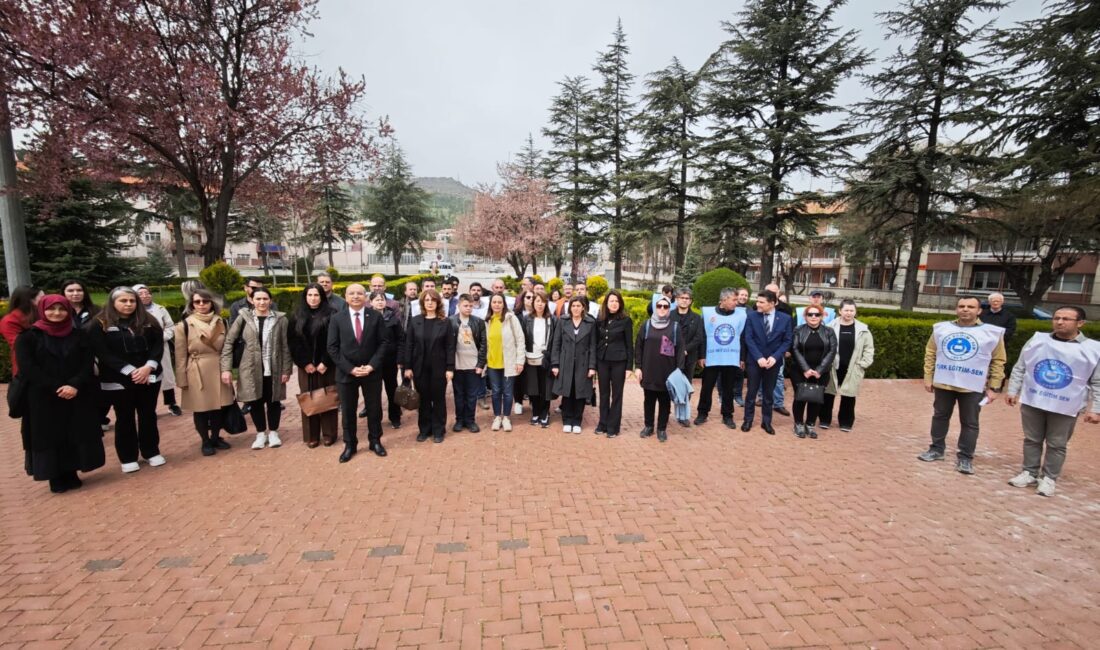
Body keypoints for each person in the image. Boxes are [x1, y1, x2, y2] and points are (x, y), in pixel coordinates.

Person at [1005, 306, 1100, 496]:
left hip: (1066, 404)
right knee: (1032, 439)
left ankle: (1049, 478)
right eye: (1056, 318)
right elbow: (1020, 367)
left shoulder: (1093, 349)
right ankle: (1029, 472)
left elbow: (1097, 381)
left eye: (1066, 319)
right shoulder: (1037, 340)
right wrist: (1013, 390)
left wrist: (1096, 409)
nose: (1059, 322)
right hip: (1034, 399)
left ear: (1080, 323)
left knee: (1057, 443)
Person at [14, 295, 105, 492]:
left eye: (62, 309)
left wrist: (74, 385)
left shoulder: (79, 335)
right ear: (42, 310)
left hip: (76, 394)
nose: (57, 313)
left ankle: (72, 471)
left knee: (75, 431)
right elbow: (28, 368)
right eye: (51, 309)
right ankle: (55, 476)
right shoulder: (28, 337)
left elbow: (87, 363)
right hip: (44, 396)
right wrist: (56, 386)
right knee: (49, 435)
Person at [919, 296, 1007, 474]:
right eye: (961, 306)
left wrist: (994, 386)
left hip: (972, 386)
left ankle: (965, 457)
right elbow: (930, 352)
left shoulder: (991, 333)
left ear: (979, 311)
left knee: (970, 423)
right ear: (956, 309)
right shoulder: (942, 329)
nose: (965, 309)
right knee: (940, 416)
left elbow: (998, 360)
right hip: (944, 383)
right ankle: (936, 449)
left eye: (970, 307)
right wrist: (928, 377)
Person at [88, 287, 166, 473]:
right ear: (113, 302)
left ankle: (151, 451)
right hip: (118, 380)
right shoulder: (100, 323)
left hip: (149, 376)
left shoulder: (148, 321)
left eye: (132, 301)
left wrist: (148, 367)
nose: (129, 304)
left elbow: (157, 345)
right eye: (123, 301)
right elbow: (102, 352)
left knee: (148, 415)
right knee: (125, 417)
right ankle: (128, 456)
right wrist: (130, 371)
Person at [221, 288, 293, 451]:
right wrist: (226, 368)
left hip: (273, 367)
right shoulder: (243, 318)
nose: (262, 302)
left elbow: (285, 346)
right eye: (258, 299)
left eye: (265, 299)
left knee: (274, 400)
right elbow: (229, 342)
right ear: (252, 300)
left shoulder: (280, 319)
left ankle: (273, 432)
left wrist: (286, 370)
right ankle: (260, 433)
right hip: (250, 367)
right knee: (255, 401)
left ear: (270, 300)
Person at [327, 283, 391, 462]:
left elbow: (384, 343)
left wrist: (371, 366)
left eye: (359, 293)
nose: (355, 296)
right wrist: (350, 369)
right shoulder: (337, 318)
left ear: (366, 297)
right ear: (345, 297)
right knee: (348, 411)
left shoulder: (375, 316)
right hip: (346, 373)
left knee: (374, 408)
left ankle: (375, 441)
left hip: (371, 372)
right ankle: (350, 445)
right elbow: (332, 347)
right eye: (351, 293)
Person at [175, 288, 234, 456]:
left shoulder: (222, 322)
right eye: (197, 302)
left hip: (218, 367)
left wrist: (227, 369)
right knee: (200, 408)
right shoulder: (184, 325)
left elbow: (227, 348)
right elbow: (180, 355)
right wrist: (182, 379)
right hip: (197, 369)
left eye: (205, 301)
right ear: (192, 304)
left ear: (211, 303)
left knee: (219, 406)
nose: (202, 304)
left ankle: (215, 437)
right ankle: (205, 440)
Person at [402, 289, 456, 443]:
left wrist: (450, 368)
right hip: (419, 368)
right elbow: (409, 345)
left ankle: (439, 430)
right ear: (422, 303)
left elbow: (450, 347)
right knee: (423, 400)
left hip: (439, 368)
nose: (430, 303)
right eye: (427, 300)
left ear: (438, 302)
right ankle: (424, 429)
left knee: (438, 400)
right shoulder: (415, 321)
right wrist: (408, 367)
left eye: (433, 300)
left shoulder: (445, 322)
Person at [288, 284, 339, 448]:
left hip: (326, 366)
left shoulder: (332, 314)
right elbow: (293, 343)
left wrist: (326, 361)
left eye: (316, 295)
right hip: (306, 367)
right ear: (305, 297)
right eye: (309, 295)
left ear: (322, 296)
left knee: (328, 397)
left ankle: (329, 434)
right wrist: (305, 363)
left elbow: (335, 340)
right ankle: (312, 436)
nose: (313, 298)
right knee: (309, 398)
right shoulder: (297, 316)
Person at [819, 300, 875, 432]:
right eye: (846, 310)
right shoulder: (830, 327)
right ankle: (824, 419)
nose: (849, 313)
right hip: (833, 366)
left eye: (851, 310)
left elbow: (869, 348)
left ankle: (846, 422)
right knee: (828, 393)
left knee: (849, 396)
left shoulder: (863, 329)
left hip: (853, 367)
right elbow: (823, 346)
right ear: (840, 311)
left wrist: (864, 363)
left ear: (855, 312)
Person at [634, 296, 685, 442]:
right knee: (649, 400)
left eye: (665, 306)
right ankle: (648, 426)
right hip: (649, 370)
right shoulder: (646, 325)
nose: (662, 308)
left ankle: (661, 429)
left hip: (667, 372)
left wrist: (679, 370)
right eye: (659, 306)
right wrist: (638, 367)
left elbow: (680, 349)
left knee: (664, 402)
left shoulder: (674, 327)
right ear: (655, 308)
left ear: (669, 309)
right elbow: (638, 347)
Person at [742, 290, 793, 435]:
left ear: (772, 303)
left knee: (768, 393)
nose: (757, 304)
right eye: (757, 301)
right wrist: (758, 357)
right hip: (755, 361)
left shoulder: (785, 319)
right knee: (751, 392)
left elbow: (787, 341)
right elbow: (748, 338)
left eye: (761, 302)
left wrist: (775, 357)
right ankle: (748, 420)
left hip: (773, 362)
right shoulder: (752, 316)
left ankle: (767, 422)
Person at [694, 288, 746, 429]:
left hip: (731, 357)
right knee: (707, 387)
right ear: (723, 300)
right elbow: (703, 336)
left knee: (728, 387)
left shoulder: (741, 315)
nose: (736, 302)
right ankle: (702, 413)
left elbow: (742, 337)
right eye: (733, 300)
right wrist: (702, 355)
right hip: (712, 357)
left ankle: (727, 415)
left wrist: (742, 358)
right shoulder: (708, 313)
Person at [790, 306, 838, 439]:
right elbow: (794, 349)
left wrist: (819, 370)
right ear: (805, 316)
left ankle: (810, 424)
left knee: (816, 399)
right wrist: (805, 369)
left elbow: (832, 351)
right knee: (800, 397)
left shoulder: (829, 331)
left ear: (822, 316)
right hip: (800, 371)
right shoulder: (798, 330)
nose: (813, 317)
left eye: (817, 314)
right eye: (810, 314)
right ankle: (799, 424)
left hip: (821, 372)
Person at [551, 296, 597, 434]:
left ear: (583, 307)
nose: (576, 308)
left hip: (583, 363)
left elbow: (593, 346)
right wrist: (555, 364)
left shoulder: (590, 323)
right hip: (566, 362)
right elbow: (556, 344)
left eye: (578, 306)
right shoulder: (563, 321)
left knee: (580, 393)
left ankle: (577, 421)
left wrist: (592, 366)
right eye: (573, 306)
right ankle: (567, 420)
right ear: (569, 308)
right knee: (567, 392)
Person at [135, 284, 181, 416]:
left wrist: (161, 338)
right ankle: (150, 407)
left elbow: (170, 326)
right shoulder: (133, 311)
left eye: (147, 293)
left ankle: (171, 403)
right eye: (140, 294)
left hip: (161, 346)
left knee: (167, 376)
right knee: (149, 377)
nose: (145, 296)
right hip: (142, 350)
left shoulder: (160, 309)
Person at [484, 293, 525, 432]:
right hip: (492, 363)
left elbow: (520, 340)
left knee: (508, 392)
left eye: (499, 302)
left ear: (504, 304)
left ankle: (506, 417)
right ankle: (497, 417)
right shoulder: (487, 320)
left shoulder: (511, 318)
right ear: (490, 304)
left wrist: (520, 361)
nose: (497, 304)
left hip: (509, 362)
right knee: (495, 392)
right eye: (494, 302)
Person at [595, 290, 633, 437]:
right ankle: (603, 423)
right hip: (602, 361)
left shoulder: (626, 320)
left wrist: (629, 367)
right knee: (604, 393)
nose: (614, 303)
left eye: (617, 301)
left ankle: (613, 426)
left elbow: (629, 345)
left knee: (617, 395)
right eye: (611, 301)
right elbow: (596, 341)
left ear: (620, 303)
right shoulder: (600, 319)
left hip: (619, 362)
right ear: (606, 303)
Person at [450, 293, 487, 433]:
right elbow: (447, 345)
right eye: (465, 305)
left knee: (472, 395)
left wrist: (480, 364)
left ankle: (470, 420)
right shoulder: (450, 321)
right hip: (457, 364)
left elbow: (484, 344)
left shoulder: (479, 322)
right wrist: (449, 366)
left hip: (473, 364)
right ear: (458, 306)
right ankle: (459, 420)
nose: (468, 308)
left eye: (471, 306)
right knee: (459, 394)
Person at [369, 291, 404, 429]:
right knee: (374, 392)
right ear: (371, 302)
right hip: (373, 361)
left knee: (392, 389)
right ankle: (375, 419)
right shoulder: (367, 318)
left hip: (390, 360)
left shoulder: (393, 318)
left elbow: (400, 339)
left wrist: (400, 358)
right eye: (376, 300)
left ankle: (395, 417)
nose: (380, 302)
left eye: (382, 299)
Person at [522, 293, 555, 428]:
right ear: (533, 303)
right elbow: (522, 338)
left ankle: (545, 413)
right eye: (537, 301)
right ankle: (535, 412)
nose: (540, 304)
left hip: (546, 358)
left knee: (545, 388)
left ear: (546, 303)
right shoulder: (527, 319)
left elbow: (555, 340)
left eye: (542, 301)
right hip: (531, 358)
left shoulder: (552, 319)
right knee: (533, 388)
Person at [763, 282, 795, 417]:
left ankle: (778, 403)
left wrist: (787, 349)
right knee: (761, 374)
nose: (772, 294)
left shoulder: (786, 308)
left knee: (779, 376)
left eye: (774, 291)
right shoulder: (759, 306)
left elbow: (790, 331)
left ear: (778, 293)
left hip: (778, 350)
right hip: (762, 348)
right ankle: (761, 398)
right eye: (769, 291)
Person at [1, 286, 43, 379]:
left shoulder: (42, 314)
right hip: (26, 367)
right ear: (31, 300)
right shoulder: (10, 321)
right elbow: (18, 344)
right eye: (42, 298)